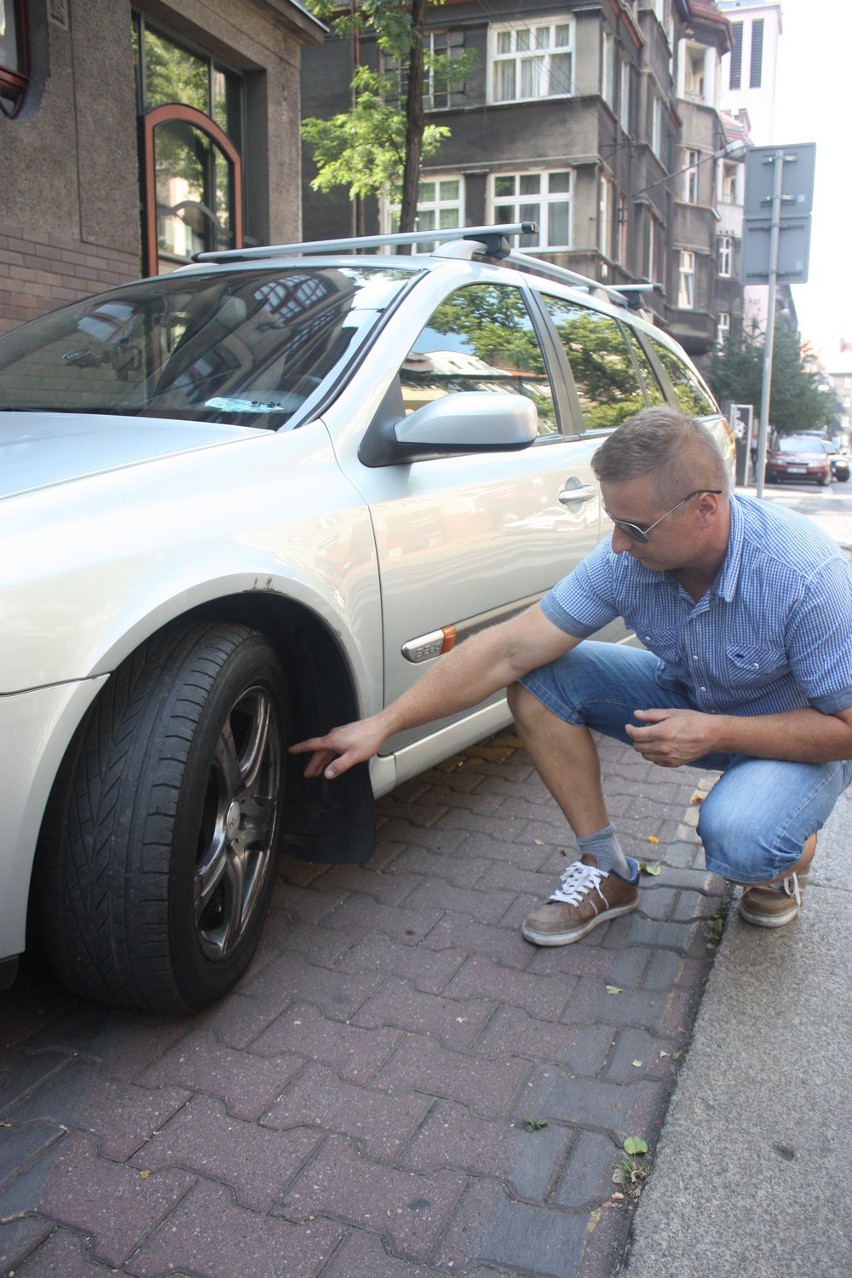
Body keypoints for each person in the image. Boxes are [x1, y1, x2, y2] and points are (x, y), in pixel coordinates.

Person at [291, 407, 852, 945]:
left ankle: (784, 860)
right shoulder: (626, 560)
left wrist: (719, 733)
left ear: (706, 508)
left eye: (635, 527)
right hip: (691, 699)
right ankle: (607, 869)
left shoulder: (806, 576)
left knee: (742, 842)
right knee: (542, 676)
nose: (618, 544)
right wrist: (383, 725)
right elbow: (510, 649)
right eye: (613, 522)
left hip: (799, 736)